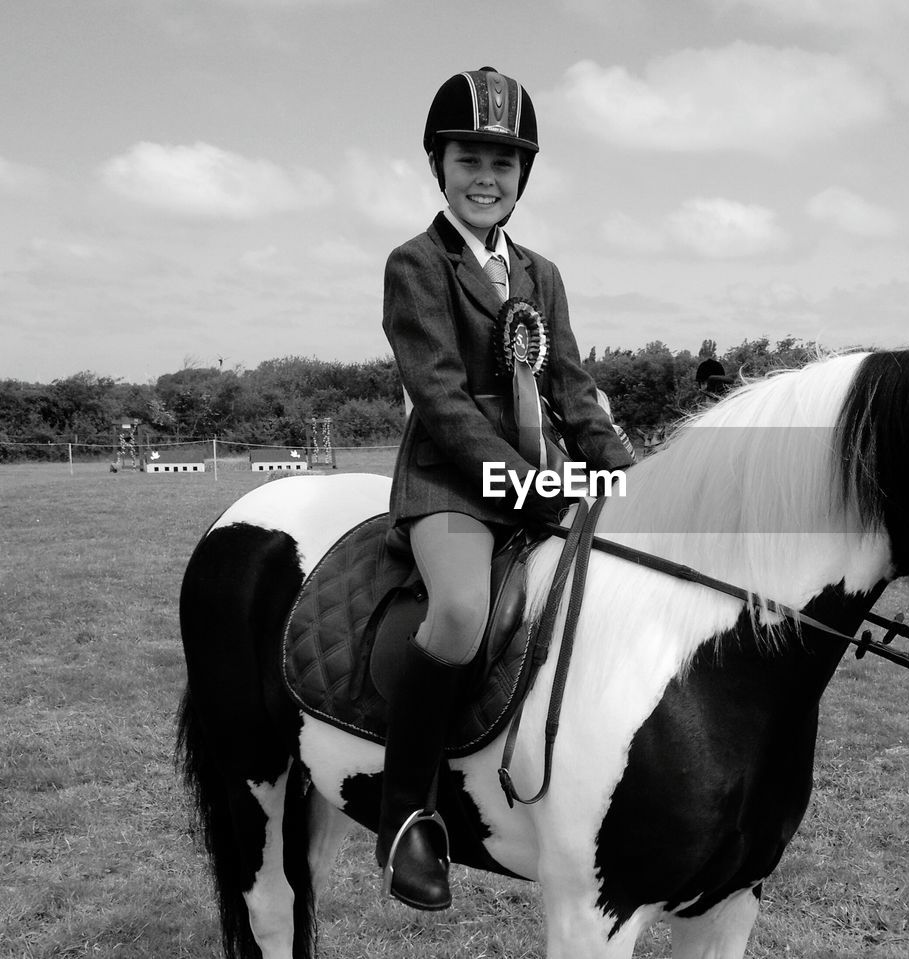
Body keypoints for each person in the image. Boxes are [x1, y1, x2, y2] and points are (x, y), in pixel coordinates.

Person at [378, 67, 634, 911]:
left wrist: (617, 464)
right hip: (451, 482)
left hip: (539, 471)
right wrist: (526, 482)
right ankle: (407, 813)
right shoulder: (416, 264)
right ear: (439, 164)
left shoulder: (543, 273)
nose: (486, 177)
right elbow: (442, 397)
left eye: (504, 162)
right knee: (458, 613)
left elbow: (568, 379)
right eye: (469, 159)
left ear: (523, 176)